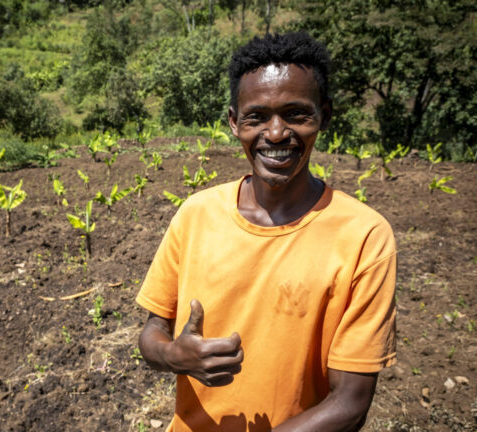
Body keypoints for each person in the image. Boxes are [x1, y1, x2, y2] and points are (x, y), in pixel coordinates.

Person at [136, 32, 397, 432]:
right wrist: (175, 355)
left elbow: (350, 404)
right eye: (257, 117)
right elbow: (152, 332)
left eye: (297, 114)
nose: (276, 133)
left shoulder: (364, 237)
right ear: (234, 122)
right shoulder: (196, 215)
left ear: (324, 116)